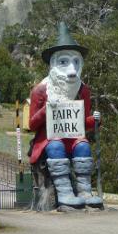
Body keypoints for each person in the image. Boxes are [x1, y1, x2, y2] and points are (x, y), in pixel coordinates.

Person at [28, 22, 102, 208]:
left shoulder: (82, 90)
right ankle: (64, 192)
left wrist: (94, 120)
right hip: (50, 139)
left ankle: (85, 191)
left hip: (73, 137)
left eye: (76, 62)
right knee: (55, 146)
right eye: (64, 61)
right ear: (54, 63)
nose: (72, 69)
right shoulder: (41, 90)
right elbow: (32, 124)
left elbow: (82, 122)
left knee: (83, 146)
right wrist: (47, 110)